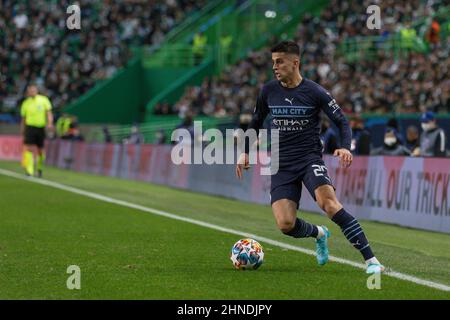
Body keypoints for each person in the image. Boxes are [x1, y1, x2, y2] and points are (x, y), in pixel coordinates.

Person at [235, 41, 384, 274]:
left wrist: (346, 147)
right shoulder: (268, 91)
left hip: (309, 159)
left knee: (330, 205)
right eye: (273, 62)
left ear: (295, 63)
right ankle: (319, 233)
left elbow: (342, 122)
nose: (275, 67)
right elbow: (255, 123)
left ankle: (371, 260)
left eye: (280, 62)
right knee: (285, 225)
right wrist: (245, 151)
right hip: (280, 164)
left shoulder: (315, 92)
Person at [20, 84, 53, 177]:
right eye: (30, 91)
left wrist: (50, 123)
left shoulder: (44, 100)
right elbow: (23, 118)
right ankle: (29, 170)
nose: (32, 92)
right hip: (30, 127)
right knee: (28, 148)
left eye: (33, 90)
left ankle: (39, 167)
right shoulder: (26, 103)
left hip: (40, 127)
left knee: (40, 150)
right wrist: (22, 129)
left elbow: (49, 113)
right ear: (28, 92)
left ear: (37, 90)